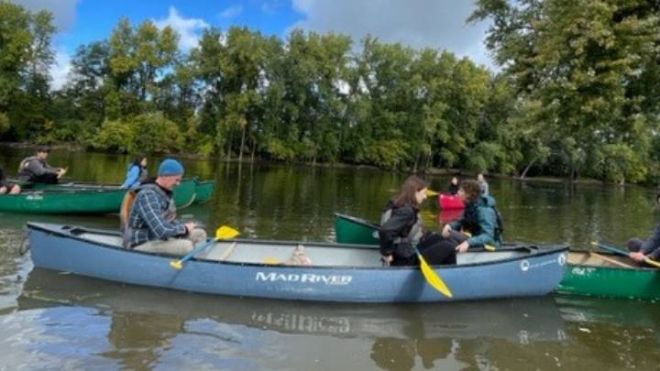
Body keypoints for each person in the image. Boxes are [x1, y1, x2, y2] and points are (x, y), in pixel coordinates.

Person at [123, 159, 207, 255]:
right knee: (186, 246)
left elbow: (169, 222)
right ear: (165, 176)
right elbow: (161, 231)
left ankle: (199, 264)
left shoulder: (164, 193)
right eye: (177, 180)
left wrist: (186, 226)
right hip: (142, 243)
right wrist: (184, 229)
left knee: (200, 234)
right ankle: (192, 266)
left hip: (158, 239)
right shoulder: (147, 195)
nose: (178, 184)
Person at [379, 175, 456, 266]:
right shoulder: (406, 211)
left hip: (405, 252)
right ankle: (450, 274)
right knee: (449, 247)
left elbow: (407, 230)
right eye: (424, 193)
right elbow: (385, 230)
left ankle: (442, 270)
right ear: (415, 192)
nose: (425, 197)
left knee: (439, 238)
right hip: (404, 260)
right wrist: (387, 253)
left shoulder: (397, 204)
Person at [442, 179, 502, 252]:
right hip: (476, 239)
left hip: (490, 244)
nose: (457, 192)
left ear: (468, 194)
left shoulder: (484, 210)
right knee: (448, 233)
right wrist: (450, 226)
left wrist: (468, 242)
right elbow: (463, 221)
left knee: (450, 236)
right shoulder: (471, 206)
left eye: (461, 191)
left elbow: (488, 236)